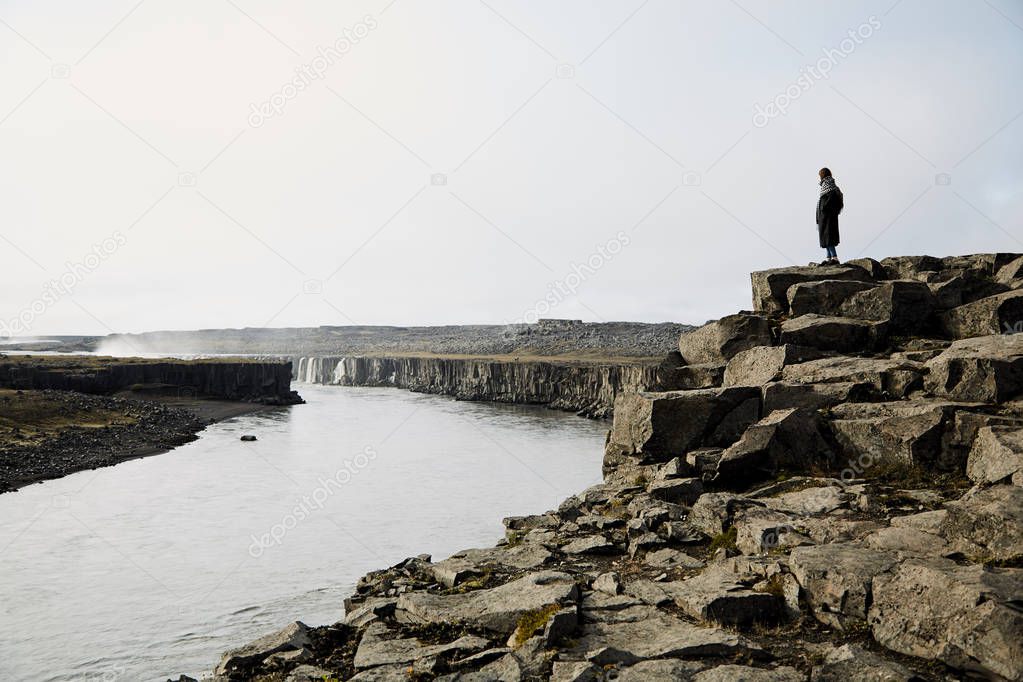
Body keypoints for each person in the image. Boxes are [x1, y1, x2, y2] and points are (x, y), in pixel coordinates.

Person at [816, 167, 843, 265]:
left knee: (829, 238)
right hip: (824, 218)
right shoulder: (828, 186)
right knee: (826, 239)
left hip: (828, 218)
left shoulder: (830, 187)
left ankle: (834, 258)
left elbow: (830, 201)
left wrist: (824, 209)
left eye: (820, 175)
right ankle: (828, 258)